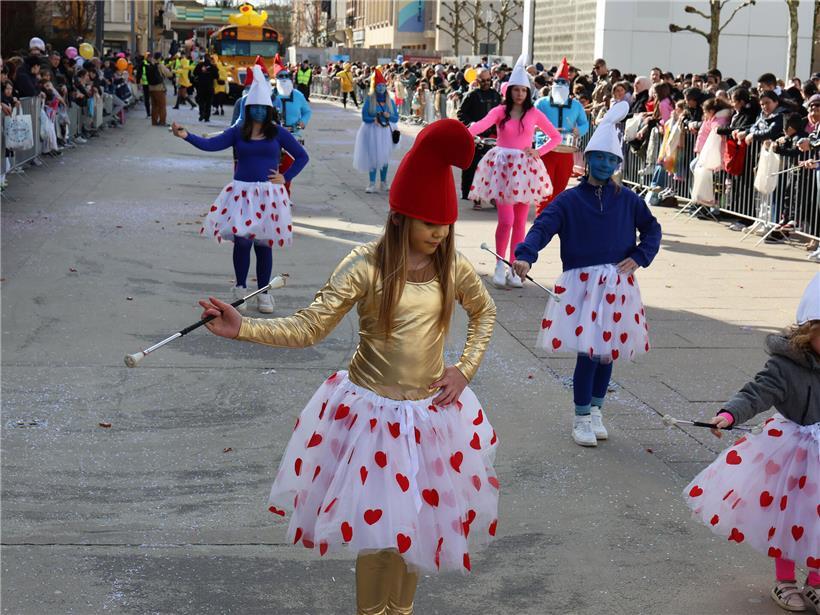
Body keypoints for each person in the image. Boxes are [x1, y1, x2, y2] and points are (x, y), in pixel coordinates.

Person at [195, 119, 499, 615]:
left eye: (445, 226)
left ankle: (401, 612)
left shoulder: (452, 267)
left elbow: (485, 311)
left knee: (416, 530)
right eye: (429, 224)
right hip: (372, 421)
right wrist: (243, 327)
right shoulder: (365, 266)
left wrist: (464, 369)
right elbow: (310, 327)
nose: (439, 234)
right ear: (401, 216)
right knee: (379, 538)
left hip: (430, 419)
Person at [512, 102, 662, 447]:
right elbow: (543, 227)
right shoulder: (569, 200)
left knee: (606, 352)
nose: (605, 164)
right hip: (582, 286)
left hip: (617, 284)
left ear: (618, 164)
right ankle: (580, 416)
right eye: (599, 158)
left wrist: (640, 256)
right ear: (588, 159)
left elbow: (652, 230)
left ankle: (596, 410)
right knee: (588, 353)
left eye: (612, 160)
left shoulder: (629, 200)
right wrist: (525, 255)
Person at [683, 272, 819, 613]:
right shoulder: (786, 366)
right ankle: (785, 580)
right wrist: (728, 415)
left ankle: (816, 581)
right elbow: (756, 392)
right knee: (790, 515)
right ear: (808, 332)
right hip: (794, 450)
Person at [171, 66, 308, 314]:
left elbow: (302, 156)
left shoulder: (277, 132)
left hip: (269, 195)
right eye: (253, 107)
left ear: (268, 110)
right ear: (246, 108)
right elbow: (211, 144)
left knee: (264, 245)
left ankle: (263, 293)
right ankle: (240, 288)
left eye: (262, 107)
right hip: (242, 194)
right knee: (242, 243)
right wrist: (186, 135)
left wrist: (285, 177)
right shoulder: (237, 132)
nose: (257, 111)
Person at [466, 54, 562, 288]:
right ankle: (499, 263)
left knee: (520, 221)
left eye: (523, 90)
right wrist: (461, 133)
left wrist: (538, 151)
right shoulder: (500, 111)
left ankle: (513, 266)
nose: (519, 94)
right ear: (509, 91)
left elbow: (555, 136)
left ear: (529, 92)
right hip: (502, 168)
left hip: (525, 170)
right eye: (516, 89)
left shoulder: (534, 113)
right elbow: (478, 127)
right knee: (506, 220)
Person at [534, 58, 590, 215]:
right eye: (558, 81)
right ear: (552, 83)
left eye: (564, 82)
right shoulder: (541, 103)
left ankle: (554, 217)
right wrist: (543, 130)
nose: (561, 85)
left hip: (566, 151)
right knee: (544, 187)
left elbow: (585, 124)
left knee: (560, 188)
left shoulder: (576, 105)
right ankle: (541, 217)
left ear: (569, 85)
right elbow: (531, 123)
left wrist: (579, 130)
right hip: (545, 151)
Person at [457, 67, 502, 207]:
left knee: (495, 168)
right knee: (474, 167)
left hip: (493, 136)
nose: (487, 83)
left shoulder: (496, 95)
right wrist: (471, 124)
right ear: (477, 80)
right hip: (476, 136)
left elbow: (502, 113)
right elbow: (460, 113)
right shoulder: (471, 95)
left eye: (489, 80)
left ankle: (493, 195)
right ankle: (474, 195)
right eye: (483, 80)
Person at [353, 67, 399, 193]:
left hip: (385, 133)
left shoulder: (390, 101)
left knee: (384, 158)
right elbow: (364, 117)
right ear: (375, 87)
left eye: (383, 86)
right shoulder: (369, 100)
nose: (381, 88)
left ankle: (383, 182)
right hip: (372, 132)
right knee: (373, 157)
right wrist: (374, 119)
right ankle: (372, 183)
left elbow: (396, 118)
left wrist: (389, 116)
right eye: (378, 86)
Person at [272, 59, 312, 197]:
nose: (284, 79)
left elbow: (307, 111)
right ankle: (272, 196)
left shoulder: (298, 95)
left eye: (286, 76)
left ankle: (285, 195)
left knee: (288, 168)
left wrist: (303, 121)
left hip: (293, 135)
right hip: (273, 136)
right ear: (275, 78)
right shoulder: (270, 95)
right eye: (280, 76)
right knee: (272, 169)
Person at [146, 52, 171, 127]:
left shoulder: (151, 65)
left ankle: (154, 122)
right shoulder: (160, 65)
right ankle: (162, 121)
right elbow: (168, 74)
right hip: (159, 89)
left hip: (151, 88)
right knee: (162, 106)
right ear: (160, 58)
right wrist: (171, 71)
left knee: (154, 106)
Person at [193, 54, 219, 122]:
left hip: (201, 86)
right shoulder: (213, 67)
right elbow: (217, 76)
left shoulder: (200, 65)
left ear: (204, 58)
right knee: (208, 102)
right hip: (209, 87)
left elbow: (194, 73)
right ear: (210, 59)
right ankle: (207, 117)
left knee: (201, 101)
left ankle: (202, 114)